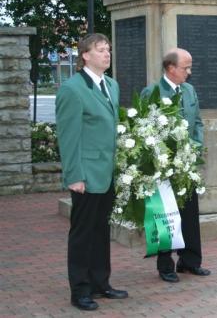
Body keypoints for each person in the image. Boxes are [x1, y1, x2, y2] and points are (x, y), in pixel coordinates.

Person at [55, 33, 128, 311]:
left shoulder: (111, 84)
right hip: (85, 174)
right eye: (100, 50)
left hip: (107, 172)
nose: (107, 54)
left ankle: (100, 283)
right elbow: (68, 136)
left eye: (108, 49)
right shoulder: (72, 89)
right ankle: (80, 290)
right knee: (83, 233)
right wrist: (74, 175)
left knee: (101, 230)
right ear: (85, 55)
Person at [141, 47, 210, 283]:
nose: (189, 72)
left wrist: (194, 148)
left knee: (189, 213)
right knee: (166, 214)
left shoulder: (189, 91)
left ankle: (189, 261)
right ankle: (165, 265)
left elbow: (198, 123)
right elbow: (145, 128)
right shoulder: (152, 92)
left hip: (187, 164)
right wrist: (164, 157)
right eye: (185, 67)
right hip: (163, 166)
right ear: (171, 68)